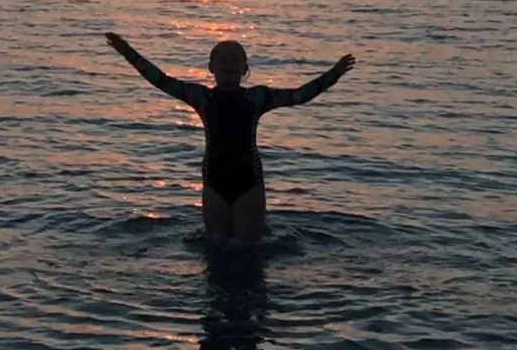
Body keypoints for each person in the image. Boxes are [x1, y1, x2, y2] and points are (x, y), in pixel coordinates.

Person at [105, 31, 355, 243]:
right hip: (214, 183)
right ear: (211, 67)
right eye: (222, 59)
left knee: (246, 250)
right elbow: (160, 80)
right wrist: (127, 52)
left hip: (249, 184)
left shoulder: (257, 98)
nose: (229, 63)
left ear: (245, 69)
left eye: (235, 59)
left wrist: (334, 74)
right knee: (216, 249)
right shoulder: (201, 97)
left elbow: (299, 95)